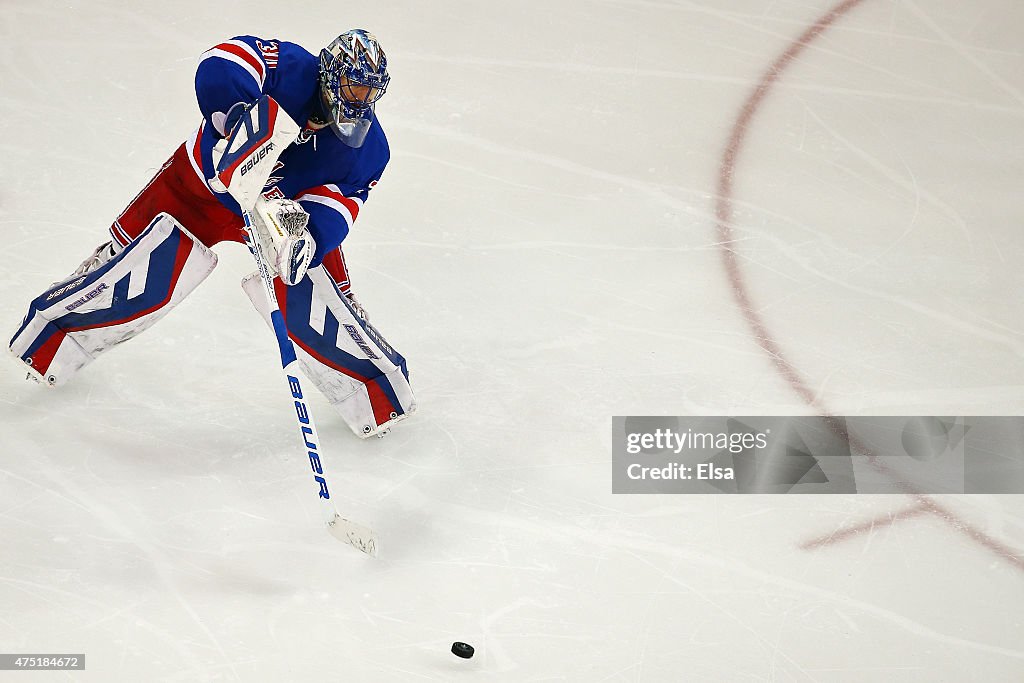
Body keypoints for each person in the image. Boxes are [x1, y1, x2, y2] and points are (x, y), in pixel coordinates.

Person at [9, 29, 416, 438]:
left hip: (275, 213)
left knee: (322, 292)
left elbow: (341, 203)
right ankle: (52, 342)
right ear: (329, 73)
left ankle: (374, 396)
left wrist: (309, 238)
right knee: (125, 266)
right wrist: (237, 118)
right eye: (353, 86)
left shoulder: (370, 150)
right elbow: (224, 59)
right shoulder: (292, 67)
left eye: (369, 92)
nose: (360, 99)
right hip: (201, 186)